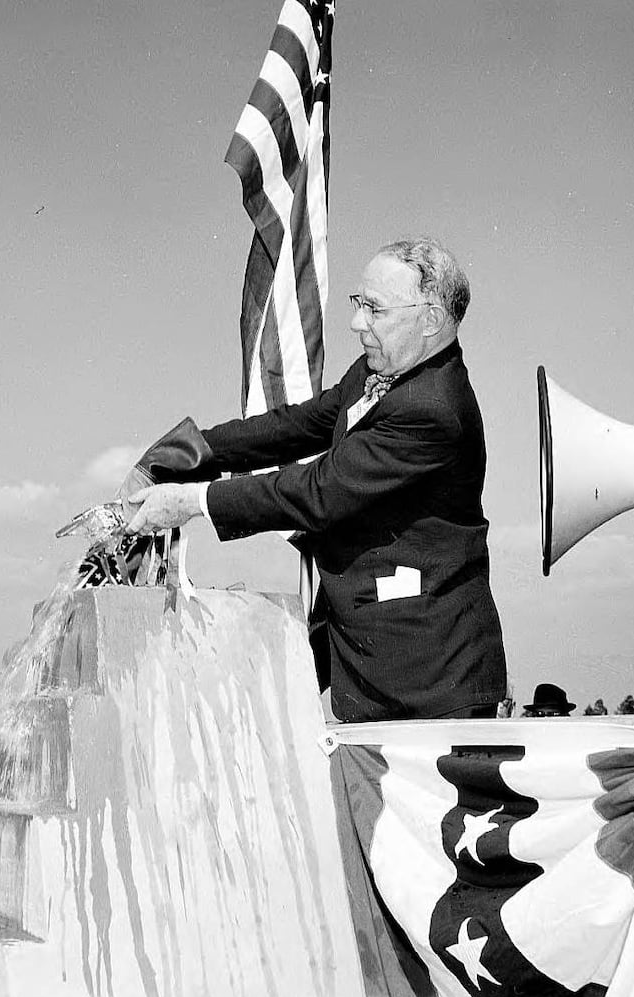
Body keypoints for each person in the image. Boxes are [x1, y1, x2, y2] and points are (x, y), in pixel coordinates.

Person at [123, 237, 507, 723]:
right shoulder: (380, 370)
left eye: (375, 309)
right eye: (357, 302)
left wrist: (192, 500)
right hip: (376, 665)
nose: (356, 323)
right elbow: (298, 426)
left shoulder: (433, 409)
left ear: (429, 320)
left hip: (429, 679)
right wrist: (184, 453)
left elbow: (319, 491)